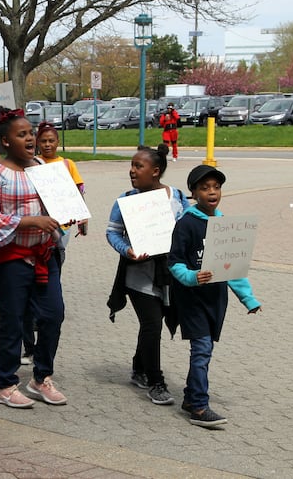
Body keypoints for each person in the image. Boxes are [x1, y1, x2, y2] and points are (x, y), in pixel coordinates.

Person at [0, 106, 68, 409]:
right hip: (12, 260)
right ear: (5, 141)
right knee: (13, 322)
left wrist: (70, 209)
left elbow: (59, 203)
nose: (30, 138)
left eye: (31, 132)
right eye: (22, 134)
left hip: (45, 256)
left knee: (53, 315)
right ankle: (6, 383)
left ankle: (41, 377)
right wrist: (30, 222)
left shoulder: (43, 166)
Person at [168, 165, 262, 428]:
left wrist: (249, 299)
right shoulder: (186, 224)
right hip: (192, 301)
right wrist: (192, 277)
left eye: (216, 187)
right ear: (194, 192)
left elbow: (234, 268)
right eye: (205, 187)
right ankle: (199, 407)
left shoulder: (224, 225)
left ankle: (189, 398)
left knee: (205, 350)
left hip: (216, 301)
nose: (212, 192)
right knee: (202, 350)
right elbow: (174, 262)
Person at [105, 144, 189, 406]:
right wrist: (126, 250)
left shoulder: (176, 196)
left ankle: (138, 368)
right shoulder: (126, 199)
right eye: (131, 165)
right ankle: (156, 382)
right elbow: (112, 232)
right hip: (138, 276)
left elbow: (188, 227)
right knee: (152, 325)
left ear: (155, 172)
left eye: (138, 166)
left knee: (151, 326)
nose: (132, 170)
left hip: (169, 276)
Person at [19, 121, 88, 365]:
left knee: (53, 267)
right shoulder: (32, 165)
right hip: (36, 227)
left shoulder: (67, 164)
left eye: (52, 141)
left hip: (62, 226)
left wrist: (82, 217)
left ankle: (46, 304)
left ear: (58, 142)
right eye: (44, 141)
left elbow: (79, 190)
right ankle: (32, 332)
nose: (47, 144)